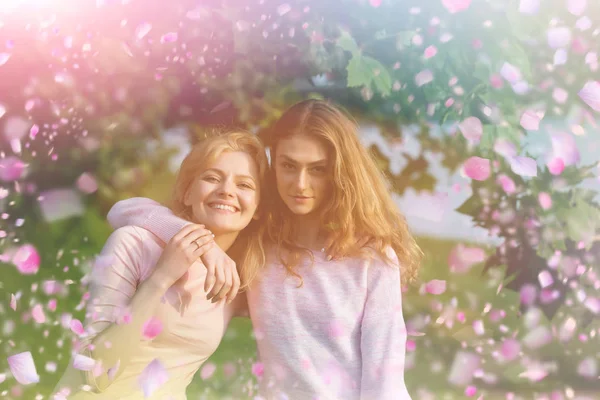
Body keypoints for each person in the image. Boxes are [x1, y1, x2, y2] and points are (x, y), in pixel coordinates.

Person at [108, 99, 422, 399]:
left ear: (340, 173)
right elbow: (125, 209)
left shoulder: (372, 257)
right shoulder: (257, 246)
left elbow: (385, 381)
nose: (300, 184)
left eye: (317, 169)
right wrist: (206, 246)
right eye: (288, 165)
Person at [52, 130, 268, 399]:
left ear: (259, 207)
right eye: (212, 178)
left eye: (245, 185)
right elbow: (95, 371)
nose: (226, 191)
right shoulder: (135, 243)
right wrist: (161, 278)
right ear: (188, 192)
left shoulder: (238, 277)